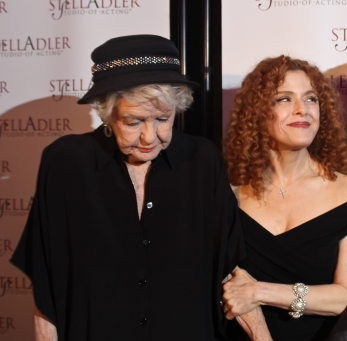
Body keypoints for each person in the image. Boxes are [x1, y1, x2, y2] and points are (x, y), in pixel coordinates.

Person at [10, 34, 251, 341]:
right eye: (134, 122)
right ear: (107, 113)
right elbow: (47, 287)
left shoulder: (203, 161)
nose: (150, 137)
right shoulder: (66, 163)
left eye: (163, 119)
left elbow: (231, 275)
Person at [222, 55, 347, 341]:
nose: (303, 110)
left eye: (311, 98)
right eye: (284, 99)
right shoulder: (231, 196)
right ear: (257, 112)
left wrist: (260, 292)